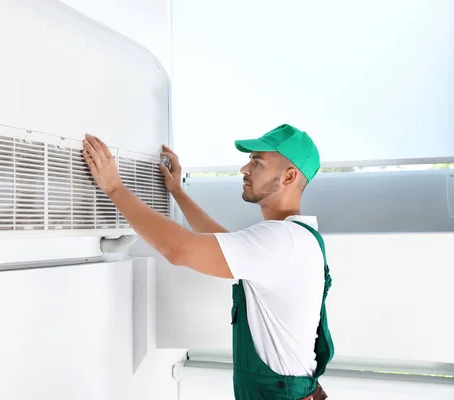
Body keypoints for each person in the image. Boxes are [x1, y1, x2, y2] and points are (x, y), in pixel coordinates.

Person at [81, 124, 333, 400]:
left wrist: (115, 188)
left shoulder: (282, 239)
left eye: (257, 162)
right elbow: (218, 243)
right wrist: (177, 191)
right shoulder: (294, 237)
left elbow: (179, 250)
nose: (244, 169)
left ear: (289, 176)